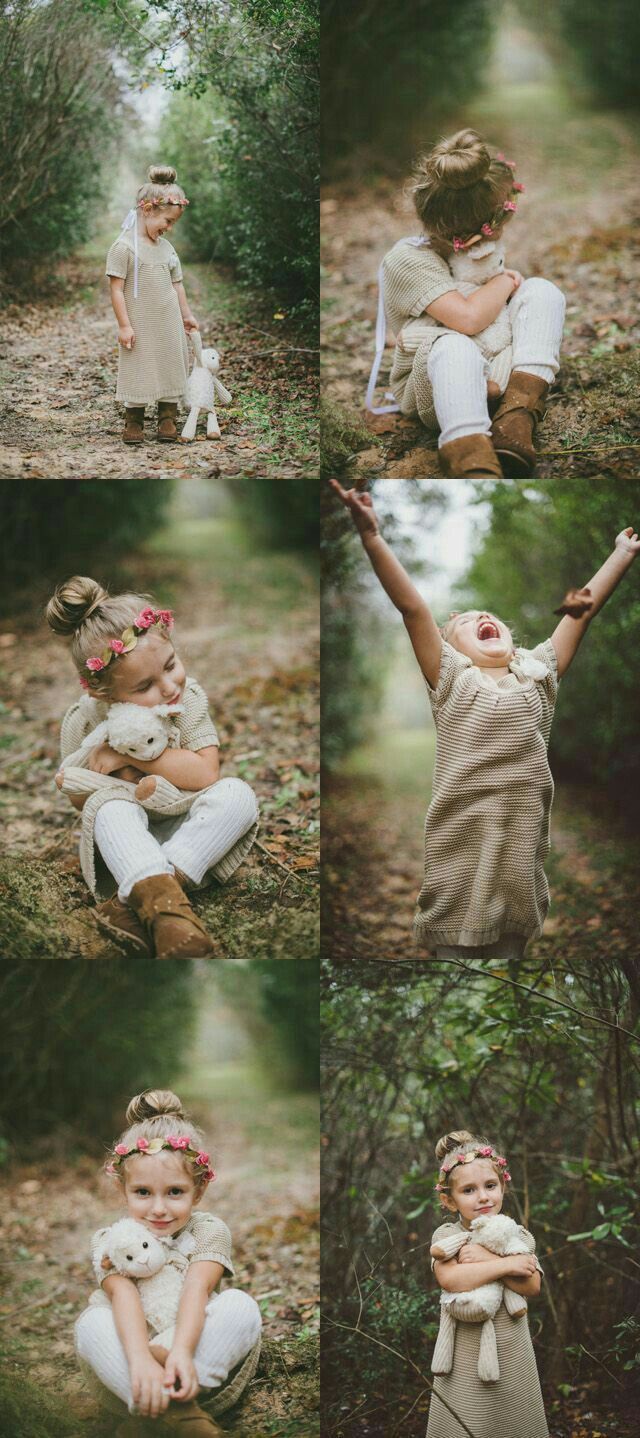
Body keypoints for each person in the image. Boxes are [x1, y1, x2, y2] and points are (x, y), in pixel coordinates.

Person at [331, 481, 640, 956]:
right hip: (461, 848)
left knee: (510, 946)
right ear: (451, 650)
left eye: (486, 614)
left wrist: (621, 554)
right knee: (455, 946)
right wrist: (372, 535)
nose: (480, 617)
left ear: (512, 644)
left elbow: (580, 614)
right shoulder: (453, 680)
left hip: (519, 854)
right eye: (464, 622)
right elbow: (412, 608)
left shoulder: (537, 673)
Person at [47, 576, 259, 958]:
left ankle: (148, 896)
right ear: (101, 690)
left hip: (188, 830)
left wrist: (128, 756)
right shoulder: (83, 720)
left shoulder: (187, 698)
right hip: (124, 840)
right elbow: (82, 804)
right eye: (144, 686)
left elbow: (205, 774)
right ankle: (167, 914)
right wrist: (107, 779)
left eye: (171, 665)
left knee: (237, 794)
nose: (167, 687)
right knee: (110, 810)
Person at [371, 129, 566, 477]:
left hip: (499, 364)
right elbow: (468, 318)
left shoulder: (477, 251)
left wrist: (509, 286)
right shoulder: (407, 260)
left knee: (543, 291)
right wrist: (505, 281)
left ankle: (517, 416)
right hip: (438, 382)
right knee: (454, 348)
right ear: (489, 227)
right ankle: (469, 451)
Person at [75, 1089, 262, 1435]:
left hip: (194, 1360)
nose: (158, 1208)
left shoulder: (208, 1229)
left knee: (241, 1305)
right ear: (123, 1189)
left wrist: (179, 1352)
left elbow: (197, 1287)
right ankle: (180, 1417)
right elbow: (123, 1296)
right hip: (132, 1366)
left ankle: (156, 1417)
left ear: (198, 1190)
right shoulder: (109, 1239)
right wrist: (141, 1359)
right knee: (91, 1323)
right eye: (143, 1192)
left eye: (174, 1192)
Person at [427, 1128, 546, 1438]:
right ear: (449, 1200)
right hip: (464, 1354)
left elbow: (532, 1287)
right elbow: (451, 1278)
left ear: (502, 1189)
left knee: (513, 1421)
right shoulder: (447, 1236)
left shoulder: (516, 1235)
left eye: (490, 1186)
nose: (482, 1196)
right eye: (468, 1190)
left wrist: (483, 1258)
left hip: (511, 1348)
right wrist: (506, 1264)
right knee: (467, 1420)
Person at [107, 165, 198, 445]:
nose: (169, 228)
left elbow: (177, 284)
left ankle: (167, 417)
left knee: (171, 362)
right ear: (147, 211)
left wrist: (186, 315)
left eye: (173, 223)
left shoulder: (167, 249)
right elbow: (116, 289)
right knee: (139, 365)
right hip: (140, 323)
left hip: (167, 321)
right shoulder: (124, 248)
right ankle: (134, 418)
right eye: (167, 221)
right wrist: (124, 325)